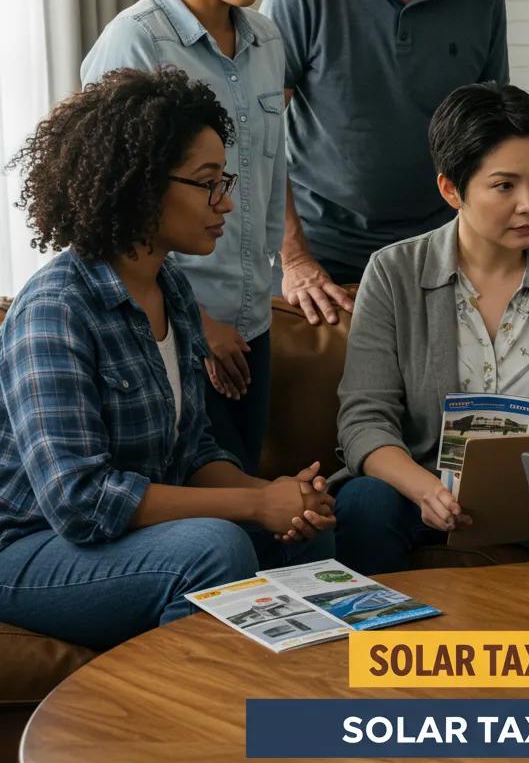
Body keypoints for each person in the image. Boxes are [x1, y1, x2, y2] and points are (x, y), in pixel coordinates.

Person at [0, 68, 335, 650]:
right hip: (29, 549)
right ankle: (171, 708)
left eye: (224, 180)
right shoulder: (55, 309)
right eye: (207, 183)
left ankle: (294, 699)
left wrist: (282, 500)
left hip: (118, 539)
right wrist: (255, 502)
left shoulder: (172, 288)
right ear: (141, 186)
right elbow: (80, 500)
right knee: (212, 548)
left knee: (307, 532)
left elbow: (193, 451)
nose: (225, 201)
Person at [333, 83, 529, 575]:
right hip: (424, 494)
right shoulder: (393, 273)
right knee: (364, 502)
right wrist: (425, 489)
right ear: (451, 189)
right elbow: (363, 420)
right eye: (505, 186)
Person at [81, 0, 307, 473]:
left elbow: (268, 175)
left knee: (248, 500)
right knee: (211, 507)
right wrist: (199, 321)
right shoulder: (134, 44)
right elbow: (109, 214)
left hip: (253, 326)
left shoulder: (268, 41)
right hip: (171, 331)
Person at [260, 0, 509, 326]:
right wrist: (294, 258)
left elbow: (489, 134)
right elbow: (258, 128)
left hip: (438, 246)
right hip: (321, 248)